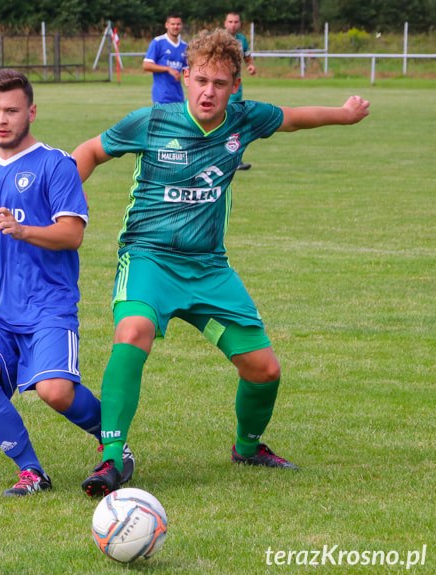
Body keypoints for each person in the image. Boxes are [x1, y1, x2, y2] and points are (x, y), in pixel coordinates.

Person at [73, 29, 369, 496]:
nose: (209, 91)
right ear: (186, 77)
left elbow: (295, 118)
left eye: (221, 83)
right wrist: (66, 205)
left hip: (209, 268)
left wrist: (345, 115)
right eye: (202, 80)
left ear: (235, 86)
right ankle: (112, 459)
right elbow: (88, 152)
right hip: (149, 257)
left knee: (264, 369)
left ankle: (247, 448)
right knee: (133, 331)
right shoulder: (150, 122)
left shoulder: (244, 120)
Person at [0, 69, 133, 497]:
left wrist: (23, 230)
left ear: (32, 112)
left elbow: (72, 234)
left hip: (48, 306)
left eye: (12, 110)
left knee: (55, 392)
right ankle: (31, 472)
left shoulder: (56, 166)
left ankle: (114, 445)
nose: (2, 119)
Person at [224, 11, 257, 170]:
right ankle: (223, 158)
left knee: (236, 123)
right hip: (222, 87)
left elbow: (247, 56)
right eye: (230, 21)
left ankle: (235, 159)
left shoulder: (241, 39)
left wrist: (250, 65)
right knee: (225, 122)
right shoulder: (220, 39)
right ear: (225, 23)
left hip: (236, 88)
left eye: (236, 22)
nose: (233, 24)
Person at [142, 12, 188, 104]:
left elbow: (187, 70)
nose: (175, 27)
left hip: (178, 96)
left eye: (178, 24)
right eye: (173, 24)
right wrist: (168, 69)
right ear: (166, 25)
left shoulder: (184, 46)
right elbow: (146, 65)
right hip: (161, 96)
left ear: (181, 25)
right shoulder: (158, 42)